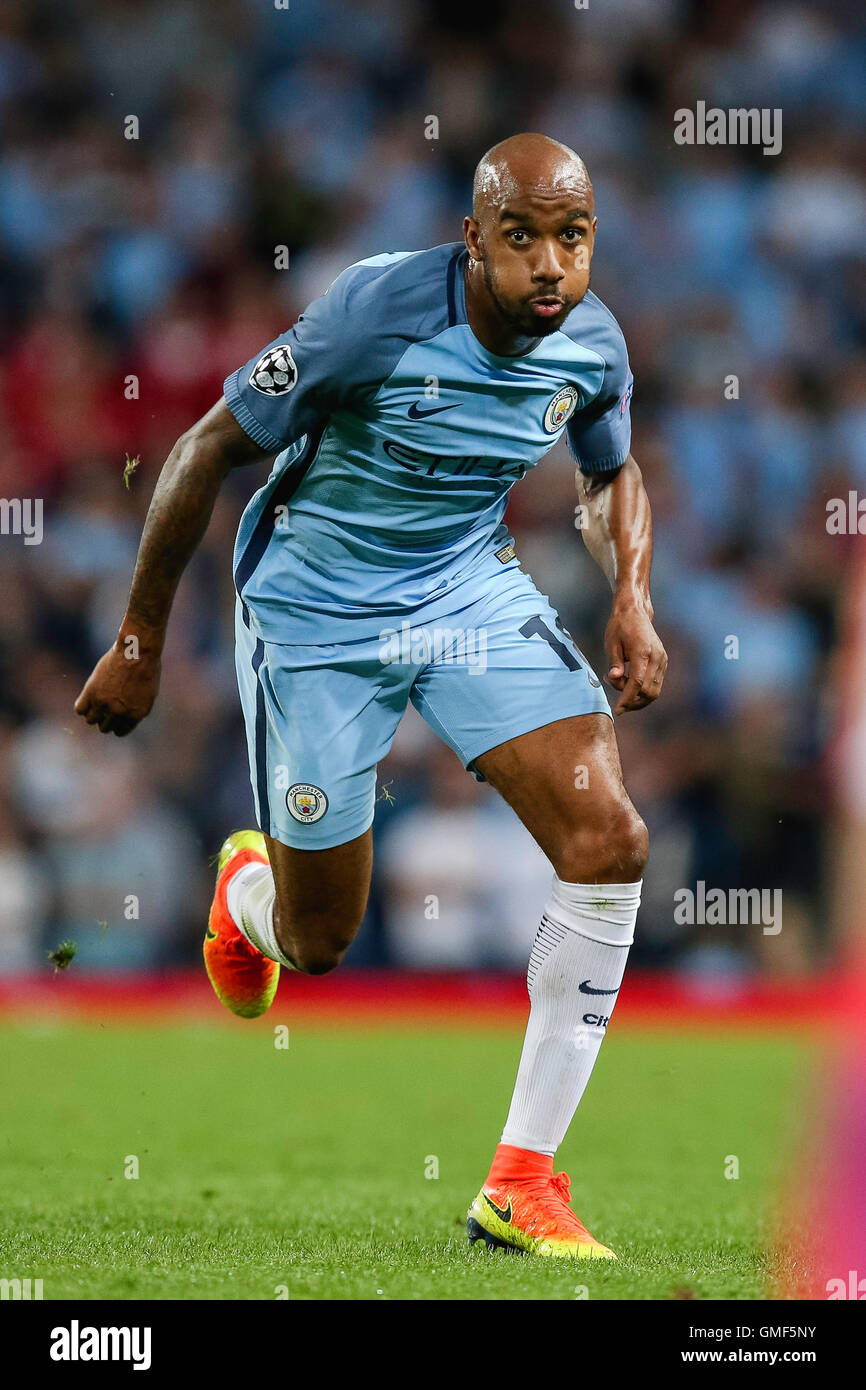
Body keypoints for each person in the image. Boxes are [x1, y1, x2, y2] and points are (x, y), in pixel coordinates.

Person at [75, 132, 667, 1259]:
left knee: (607, 837)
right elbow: (204, 449)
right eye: (523, 237)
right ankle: (249, 894)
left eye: (573, 237)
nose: (551, 264)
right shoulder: (372, 315)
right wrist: (141, 638)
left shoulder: (590, 344)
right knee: (320, 940)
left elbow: (607, 472)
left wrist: (630, 597)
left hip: (465, 590)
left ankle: (518, 1181)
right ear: (472, 239)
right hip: (316, 613)